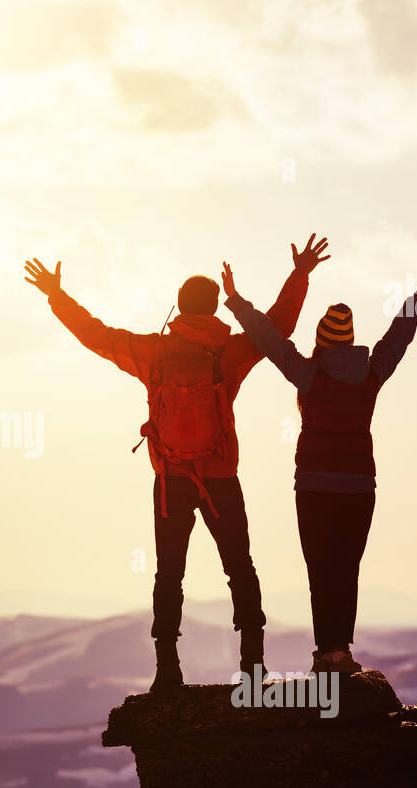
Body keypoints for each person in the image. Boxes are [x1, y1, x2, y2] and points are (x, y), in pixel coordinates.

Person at [23, 236, 330, 692]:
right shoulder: (231, 352)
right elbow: (278, 327)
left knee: (169, 572)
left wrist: (57, 295)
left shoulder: (154, 353)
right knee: (240, 566)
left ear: (179, 308)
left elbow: (96, 335)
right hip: (221, 476)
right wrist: (300, 273)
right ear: (214, 311)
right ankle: (253, 667)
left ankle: (167, 670)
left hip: (170, 479)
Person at [220, 252, 417, 673]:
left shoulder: (309, 374)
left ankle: (328, 654)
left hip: (314, 486)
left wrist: (235, 300)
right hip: (359, 487)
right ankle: (341, 651)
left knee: (320, 570)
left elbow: (269, 339)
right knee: (347, 568)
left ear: (322, 339)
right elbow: (400, 334)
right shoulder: (372, 371)